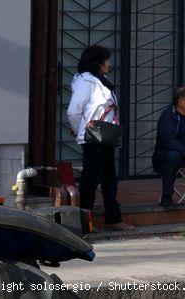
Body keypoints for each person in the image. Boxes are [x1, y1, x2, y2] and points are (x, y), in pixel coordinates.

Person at [66, 45, 134, 231]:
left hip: (105, 136)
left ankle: (113, 218)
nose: (109, 64)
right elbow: (74, 110)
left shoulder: (101, 80)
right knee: (91, 179)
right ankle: (83, 221)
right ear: (98, 61)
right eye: (106, 60)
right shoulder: (85, 81)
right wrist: (77, 128)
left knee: (109, 178)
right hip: (93, 137)